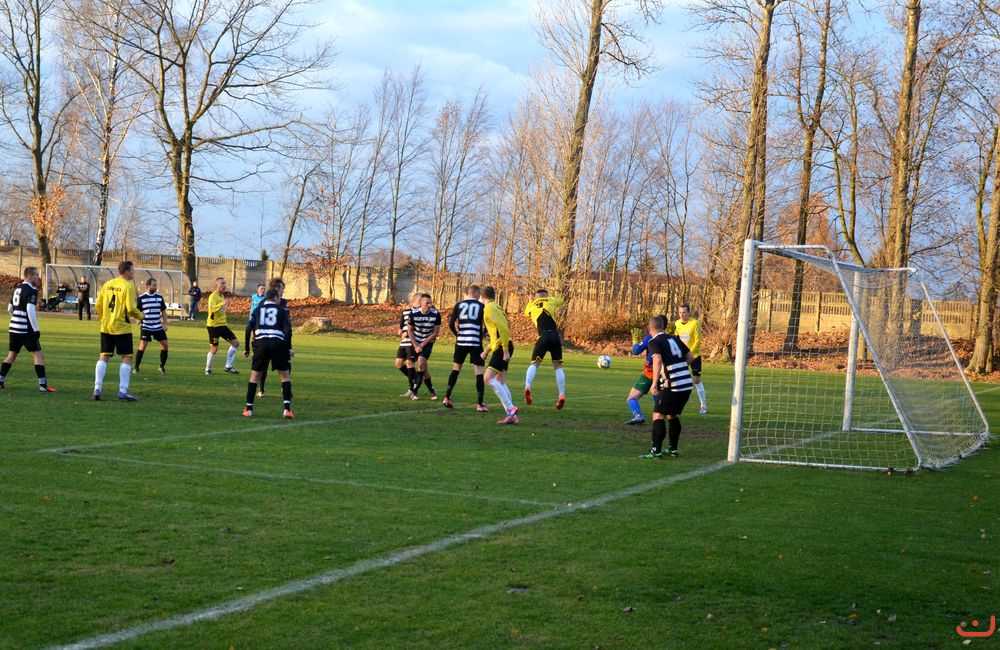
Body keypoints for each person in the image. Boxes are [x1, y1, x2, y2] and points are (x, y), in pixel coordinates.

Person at [643, 315, 696, 459]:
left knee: (658, 415)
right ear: (663, 327)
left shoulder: (654, 341)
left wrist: (654, 383)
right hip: (686, 384)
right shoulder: (674, 338)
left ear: (649, 328)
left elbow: (657, 360)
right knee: (671, 415)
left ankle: (655, 451)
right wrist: (680, 368)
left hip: (673, 385)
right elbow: (691, 357)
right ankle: (673, 450)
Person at [0, 266, 56, 392]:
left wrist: (16, 317)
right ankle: (43, 385)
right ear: (30, 276)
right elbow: (30, 310)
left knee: (11, 355)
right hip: (25, 328)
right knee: (38, 355)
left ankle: (0, 381)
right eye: (36, 275)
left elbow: (9, 308)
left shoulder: (17, 288)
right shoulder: (32, 290)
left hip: (13, 327)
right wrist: (36, 329)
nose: (38, 278)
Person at [93, 260, 143, 401]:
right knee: (127, 357)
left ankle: (97, 388)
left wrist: (103, 318)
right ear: (126, 272)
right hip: (122, 327)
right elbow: (131, 308)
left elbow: (98, 304)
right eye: (132, 270)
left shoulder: (108, 284)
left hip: (106, 326)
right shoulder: (128, 286)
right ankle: (122, 391)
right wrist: (141, 316)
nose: (133, 273)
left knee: (104, 355)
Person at [243, 288, 294, 419]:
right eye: (279, 298)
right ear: (276, 298)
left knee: (255, 376)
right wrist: (288, 347)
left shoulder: (257, 310)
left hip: (261, 344)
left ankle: (248, 409)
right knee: (284, 376)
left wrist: (247, 348)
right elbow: (288, 330)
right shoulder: (282, 311)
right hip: (278, 344)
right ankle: (287, 410)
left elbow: (248, 328)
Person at [443, 284, 488, 411]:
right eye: (479, 294)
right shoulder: (481, 306)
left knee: (456, 369)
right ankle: (480, 404)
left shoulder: (459, 305)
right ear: (476, 294)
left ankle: (447, 397)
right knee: (479, 371)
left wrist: (457, 334)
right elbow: (487, 324)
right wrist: (482, 334)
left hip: (461, 341)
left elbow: (451, 324)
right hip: (475, 342)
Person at [522, 288, 566, 410]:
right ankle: (561, 394)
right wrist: (550, 298)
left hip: (542, 337)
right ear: (546, 295)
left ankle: (527, 386)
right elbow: (561, 300)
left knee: (535, 363)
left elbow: (526, 313)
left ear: (536, 297)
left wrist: (530, 300)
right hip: (555, 336)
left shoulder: (532, 305)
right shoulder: (551, 301)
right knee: (558, 366)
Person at [481, 286, 518, 424]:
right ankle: (511, 414)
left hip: (503, 347)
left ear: (481, 297)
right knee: (500, 381)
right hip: (503, 345)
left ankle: (510, 407)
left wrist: (505, 350)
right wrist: (486, 351)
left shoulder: (488, 308)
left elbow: (503, 329)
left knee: (487, 378)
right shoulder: (498, 307)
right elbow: (496, 334)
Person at [624, 318, 667, 425]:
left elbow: (636, 351)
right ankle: (663, 416)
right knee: (658, 398)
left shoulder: (650, 338)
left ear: (651, 327)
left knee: (632, 398)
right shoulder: (669, 339)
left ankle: (638, 415)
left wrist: (635, 341)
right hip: (663, 374)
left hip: (649, 374)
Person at [255, 277, 287, 397]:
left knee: (286, 365)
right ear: (276, 289)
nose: (283, 290)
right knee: (263, 366)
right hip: (267, 339)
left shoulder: (284, 302)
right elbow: (255, 323)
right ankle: (261, 389)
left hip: (280, 339)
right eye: (281, 288)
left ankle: (284, 388)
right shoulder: (263, 303)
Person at [405, 293, 441, 400]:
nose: (429, 305)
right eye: (427, 303)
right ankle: (432, 390)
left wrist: (421, 345)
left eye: (431, 303)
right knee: (420, 368)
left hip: (427, 342)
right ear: (421, 303)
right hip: (415, 341)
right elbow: (410, 330)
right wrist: (415, 345)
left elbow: (435, 333)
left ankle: (414, 391)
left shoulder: (436, 314)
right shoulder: (413, 313)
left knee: (421, 363)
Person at [674, 304, 707, 414]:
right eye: (680, 312)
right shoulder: (677, 323)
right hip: (682, 356)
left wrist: (689, 353)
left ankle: (703, 405)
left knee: (696, 380)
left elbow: (697, 341)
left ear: (689, 312)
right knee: (678, 379)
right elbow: (676, 339)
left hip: (694, 356)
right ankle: (676, 404)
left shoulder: (695, 323)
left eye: (684, 312)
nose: (681, 315)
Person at [204, 277, 239, 375]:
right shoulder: (213, 296)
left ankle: (228, 366)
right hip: (213, 326)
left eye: (225, 283)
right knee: (214, 349)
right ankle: (208, 369)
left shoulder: (222, 296)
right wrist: (221, 304)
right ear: (217, 285)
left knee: (235, 343)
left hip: (222, 325)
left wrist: (225, 322)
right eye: (222, 283)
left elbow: (221, 311)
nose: (224, 285)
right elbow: (211, 309)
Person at [134, 278, 169, 375]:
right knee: (142, 346)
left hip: (157, 325)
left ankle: (161, 367)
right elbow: (136, 311)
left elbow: (163, 311)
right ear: (148, 286)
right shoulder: (141, 298)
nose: (155, 287)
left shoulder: (159, 297)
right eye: (153, 285)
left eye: (156, 285)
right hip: (146, 326)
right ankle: (136, 367)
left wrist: (165, 323)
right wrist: (137, 320)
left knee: (165, 345)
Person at [395, 292, 421, 398]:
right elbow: (401, 327)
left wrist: (407, 332)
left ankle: (412, 390)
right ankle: (416, 380)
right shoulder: (405, 312)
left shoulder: (421, 313)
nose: (422, 302)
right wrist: (401, 331)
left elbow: (419, 327)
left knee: (410, 363)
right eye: (420, 300)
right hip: (403, 342)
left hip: (412, 341)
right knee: (398, 363)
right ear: (414, 300)